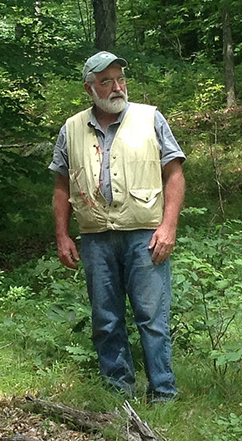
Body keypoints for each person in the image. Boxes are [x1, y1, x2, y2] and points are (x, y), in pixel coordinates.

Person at [50, 52, 185, 401]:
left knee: (152, 319)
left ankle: (163, 394)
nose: (117, 87)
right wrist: (62, 235)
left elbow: (175, 175)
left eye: (120, 79)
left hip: (145, 234)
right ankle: (117, 393)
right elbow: (61, 186)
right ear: (89, 87)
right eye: (106, 81)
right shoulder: (71, 128)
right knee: (106, 320)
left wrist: (168, 227)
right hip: (95, 238)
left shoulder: (150, 118)